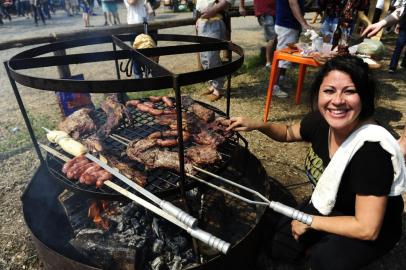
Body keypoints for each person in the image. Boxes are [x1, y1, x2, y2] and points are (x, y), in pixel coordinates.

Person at [227, 55, 406, 270]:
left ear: (365, 97)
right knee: (278, 245)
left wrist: (311, 222)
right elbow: (286, 133)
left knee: (324, 261)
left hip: (371, 225)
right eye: (329, 90)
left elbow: (367, 228)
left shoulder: (372, 151)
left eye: (349, 91)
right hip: (333, 205)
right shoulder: (323, 121)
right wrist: (258, 125)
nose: (337, 100)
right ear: (319, 93)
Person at [195, 0, 238, 102]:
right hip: (203, 20)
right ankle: (212, 84)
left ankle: (218, 88)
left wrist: (213, 10)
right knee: (204, 57)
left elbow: (227, 1)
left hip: (215, 20)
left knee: (211, 57)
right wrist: (198, 18)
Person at [273, 0, 311, 98]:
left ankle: (281, 79)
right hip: (287, 24)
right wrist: (304, 23)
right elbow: (293, 3)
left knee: (287, 57)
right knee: (282, 58)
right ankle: (274, 86)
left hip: (289, 24)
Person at [253, 0, 277, 69]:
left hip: (275, 9)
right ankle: (268, 63)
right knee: (272, 38)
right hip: (265, 11)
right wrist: (241, 6)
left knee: (277, 37)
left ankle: (274, 61)